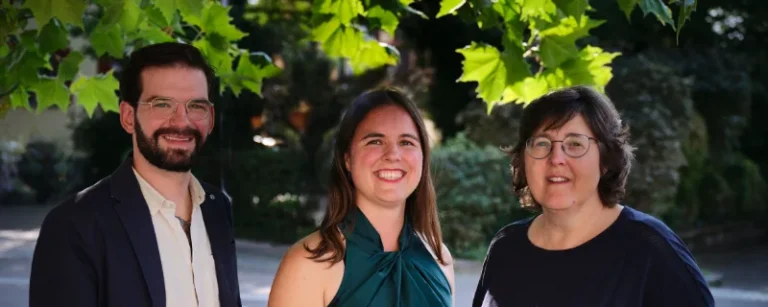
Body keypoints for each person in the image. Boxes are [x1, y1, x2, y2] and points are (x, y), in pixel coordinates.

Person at [29, 42, 242, 307]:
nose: (182, 121)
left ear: (210, 118)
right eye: (162, 104)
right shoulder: (74, 225)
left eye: (195, 106)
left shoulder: (217, 208)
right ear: (128, 117)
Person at [472, 86, 715, 307]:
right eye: (542, 143)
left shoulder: (648, 248)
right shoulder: (506, 248)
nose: (556, 158)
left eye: (575, 144)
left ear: (606, 161)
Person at [268, 87, 455, 306]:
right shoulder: (307, 263)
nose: (393, 155)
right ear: (347, 158)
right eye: (375, 141)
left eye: (406, 142)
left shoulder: (439, 258)